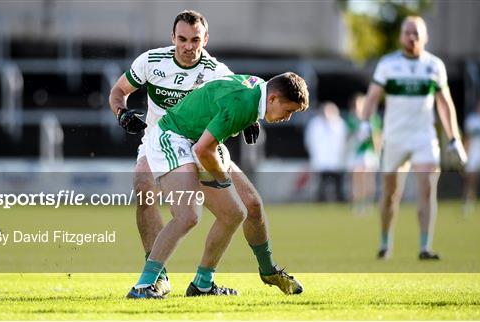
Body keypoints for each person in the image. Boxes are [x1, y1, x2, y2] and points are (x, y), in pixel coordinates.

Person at [109, 10, 302, 297]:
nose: (189, 46)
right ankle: (154, 278)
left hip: (201, 140)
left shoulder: (217, 70)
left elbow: (243, 95)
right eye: (182, 39)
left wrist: (249, 122)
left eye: (195, 39)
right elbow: (118, 92)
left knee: (247, 206)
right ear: (173, 37)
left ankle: (225, 278)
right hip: (164, 136)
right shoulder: (151, 61)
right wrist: (122, 114)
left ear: (205, 39)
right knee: (151, 194)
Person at [126, 73, 309, 299]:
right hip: (174, 137)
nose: (287, 117)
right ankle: (143, 286)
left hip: (196, 139)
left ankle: (203, 284)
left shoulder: (257, 88)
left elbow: (222, 95)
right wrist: (222, 178)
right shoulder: (242, 104)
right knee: (188, 215)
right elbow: (203, 150)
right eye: (288, 110)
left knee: (235, 213)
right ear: (272, 99)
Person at [362, 16, 467, 260]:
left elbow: (445, 104)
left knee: (427, 188)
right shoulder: (388, 64)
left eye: (417, 34)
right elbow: (372, 97)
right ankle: (386, 241)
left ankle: (424, 246)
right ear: (401, 36)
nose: (412, 37)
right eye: (408, 33)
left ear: (425, 37)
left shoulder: (434, 66)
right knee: (390, 194)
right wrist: (365, 124)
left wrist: (455, 139)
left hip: (424, 137)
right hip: (395, 137)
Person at [345, 93, 382, 214]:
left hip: (368, 152)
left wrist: (378, 153)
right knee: (357, 178)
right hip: (356, 153)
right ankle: (357, 203)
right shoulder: (351, 119)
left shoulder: (373, 119)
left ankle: (367, 203)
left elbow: (377, 137)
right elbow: (348, 137)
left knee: (368, 179)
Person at [304, 101, 347, 202]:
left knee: (338, 184)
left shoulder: (339, 123)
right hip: (321, 159)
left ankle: (340, 201)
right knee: (321, 184)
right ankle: (320, 200)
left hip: (336, 159)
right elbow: (309, 141)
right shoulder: (315, 123)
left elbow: (343, 141)